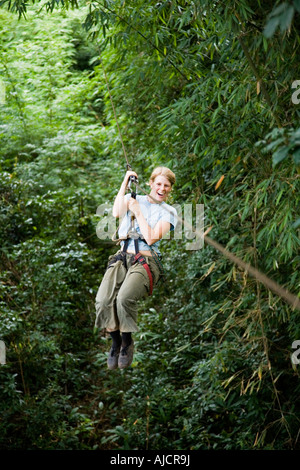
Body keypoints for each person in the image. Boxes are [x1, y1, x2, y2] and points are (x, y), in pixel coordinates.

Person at [95, 166, 177, 369]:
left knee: (124, 298)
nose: (162, 188)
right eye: (158, 184)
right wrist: (125, 182)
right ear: (150, 183)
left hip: (146, 261)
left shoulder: (170, 212)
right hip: (122, 257)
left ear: (170, 189)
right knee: (103, 300)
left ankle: (127, 342)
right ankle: (115, 341)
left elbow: (150, 238)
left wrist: (138, 211)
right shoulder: (134, 198)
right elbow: (116, 212)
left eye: (166, 186)